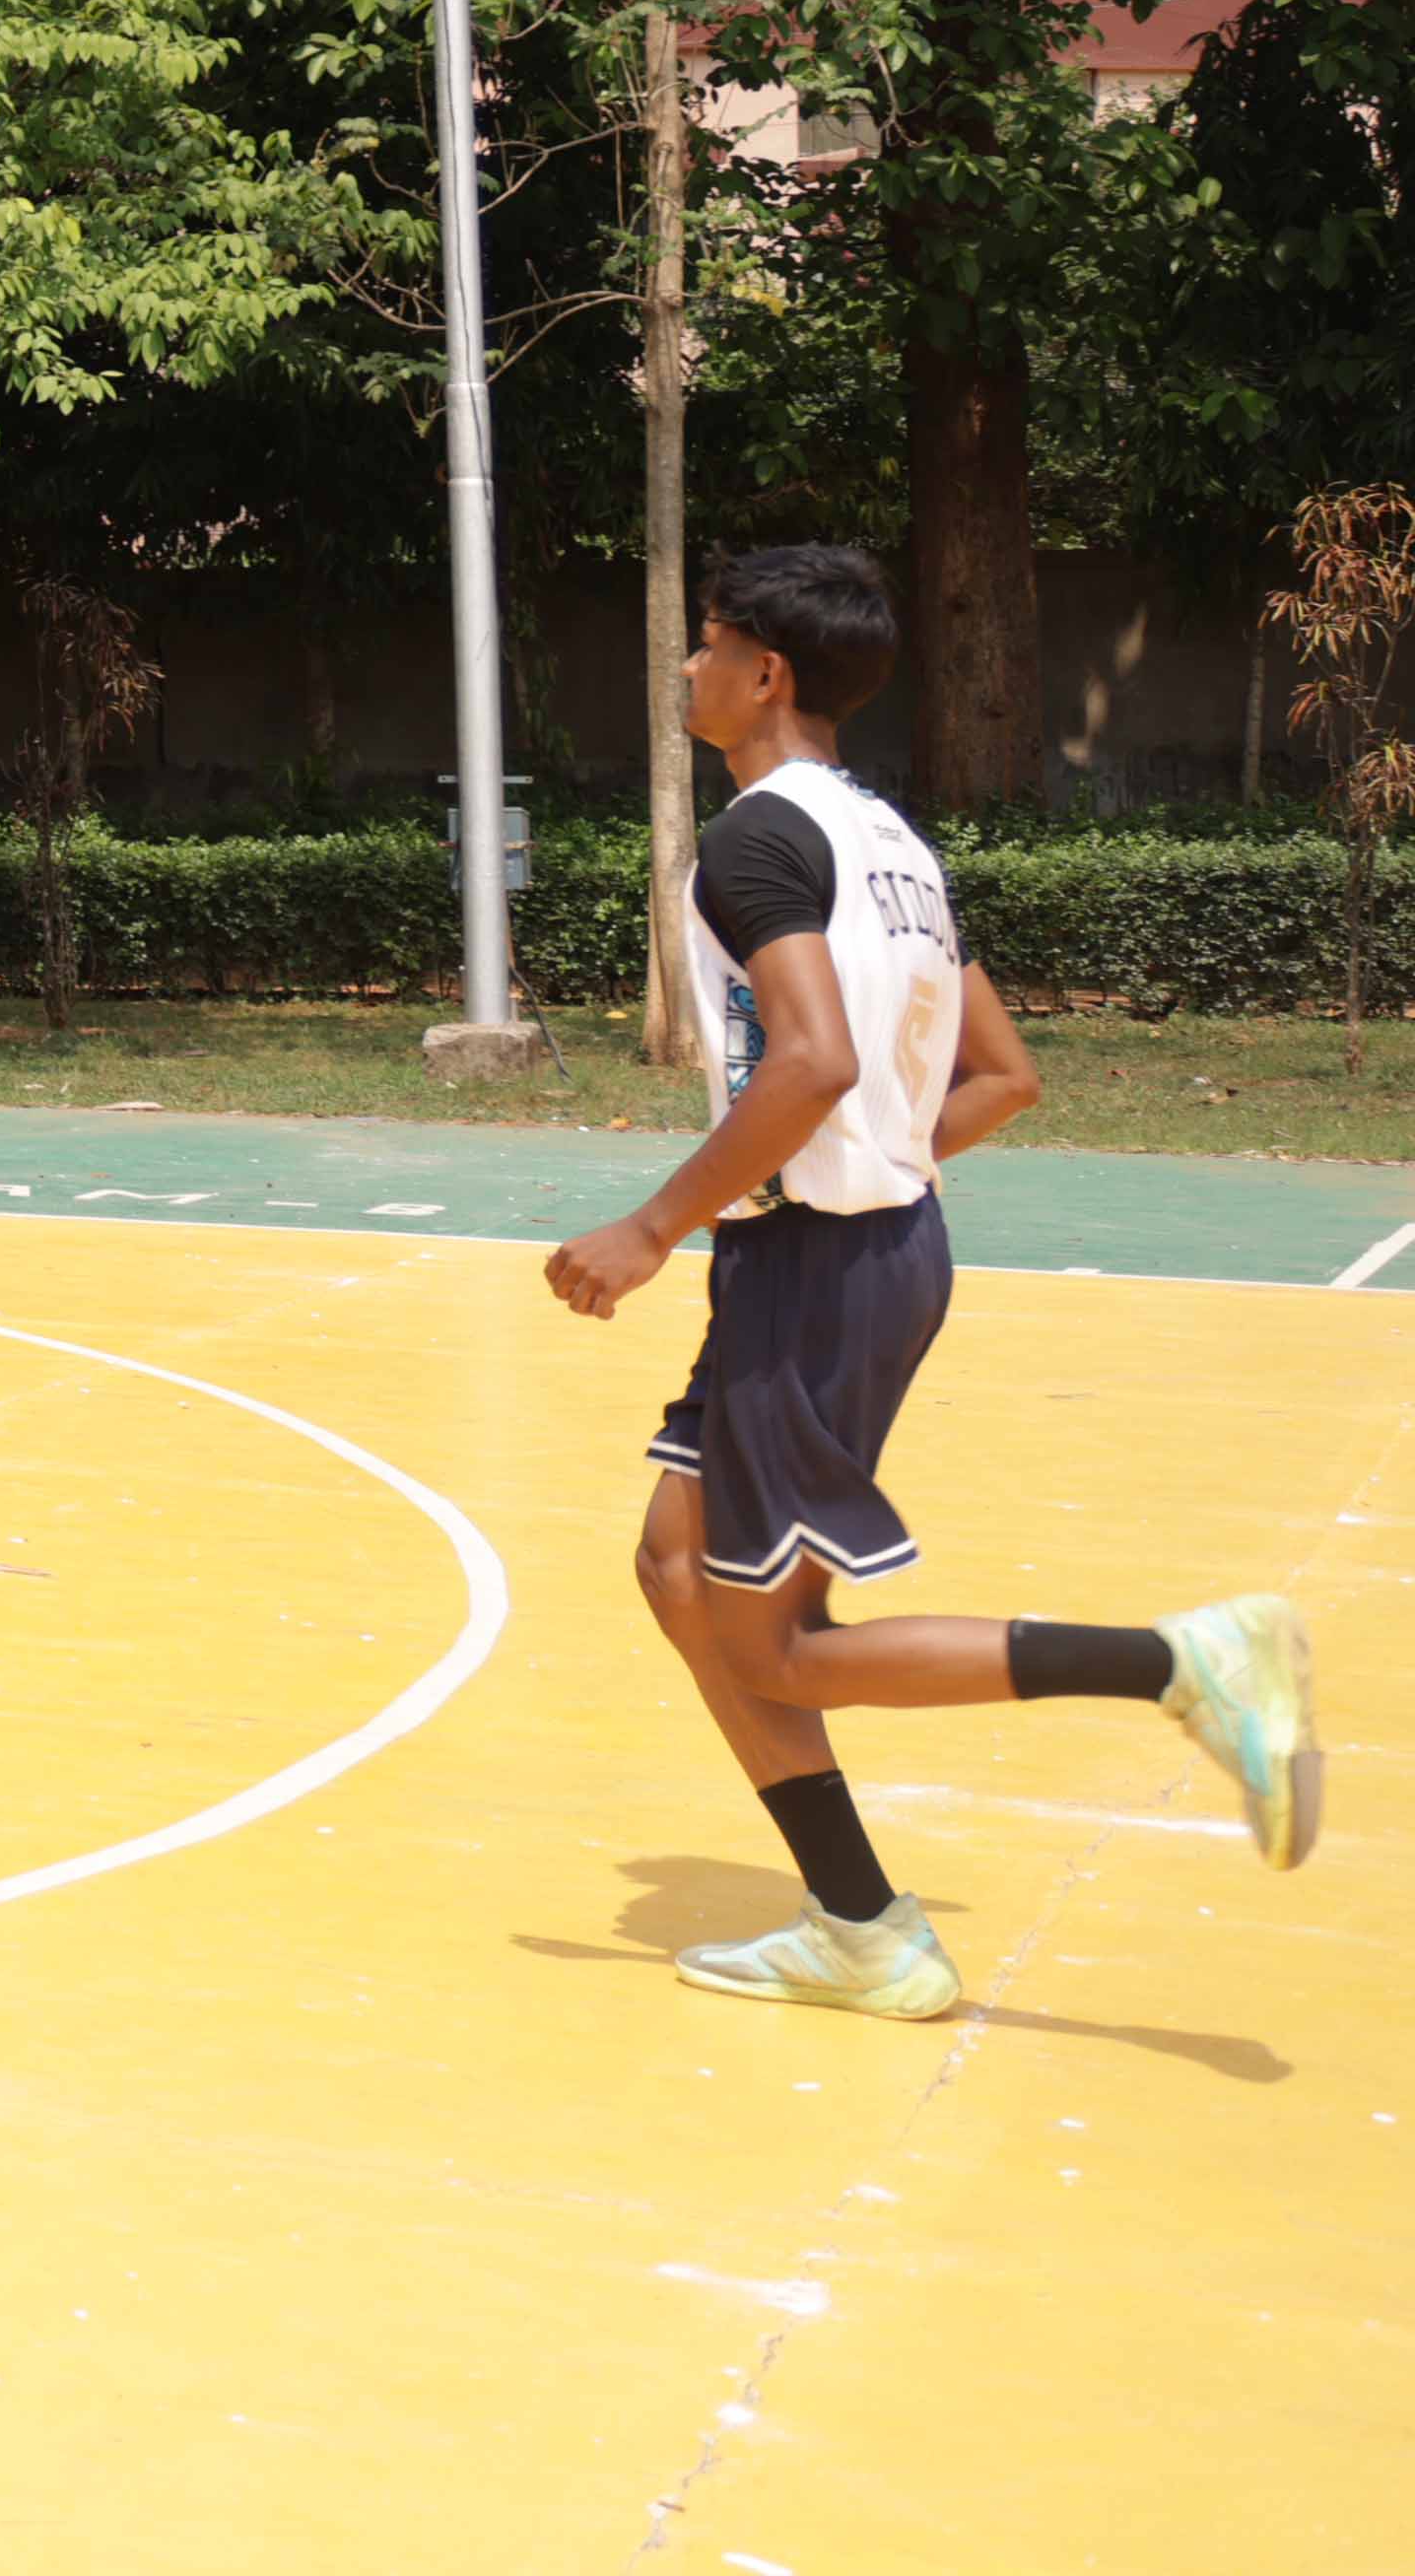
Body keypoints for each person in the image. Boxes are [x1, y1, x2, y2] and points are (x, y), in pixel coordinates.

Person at [544, 541, 1321, 2019]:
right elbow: (1003, 1078)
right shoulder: (892, 842)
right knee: (674, 1570)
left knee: (768, 1645)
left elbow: (819, 1060)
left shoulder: (760, 841)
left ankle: (1177, 1662)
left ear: (766, 674)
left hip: (820, 1270)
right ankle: (858, 1923)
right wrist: (869, 1168)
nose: (688, 672)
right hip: (864, 1248)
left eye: (704, 649)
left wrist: (655, 1226)